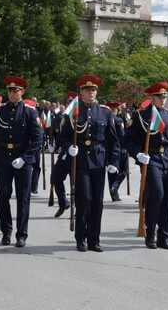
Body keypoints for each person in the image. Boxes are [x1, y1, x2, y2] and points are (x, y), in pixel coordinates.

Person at [59, 75, 120, 252]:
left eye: (93, 89)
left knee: (98, 202)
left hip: (99, 160)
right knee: (84, 199)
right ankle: (80, 238)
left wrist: (113, 160)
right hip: (80, 160)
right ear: (81, 92)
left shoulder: (105, 112)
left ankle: (94, 239)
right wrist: (69, 147)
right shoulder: (73, 112)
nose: (91, 92)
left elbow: (113, 140)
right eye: (87, 90)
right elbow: (63, 136)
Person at [126, 82, 168, 250]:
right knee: (157, 194)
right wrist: (137, 154)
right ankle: (150, 234)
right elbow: (128, 139)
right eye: (159, 96)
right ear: (151, 98)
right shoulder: (141, 116)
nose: (163, 99)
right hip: (151, 160)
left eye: (165, 96)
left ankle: (164, 237)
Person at [0, 76, 43, 248]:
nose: (12, 93)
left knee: (23, 198)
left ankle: (21, 234)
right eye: (10, 90)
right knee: (2, 196)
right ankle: (6, 231)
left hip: (22, 159)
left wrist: (25, 158)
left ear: (22, 92)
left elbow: (37, 138)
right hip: (3, 157)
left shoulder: (30, 112)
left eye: (16, 90)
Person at [106, 101, 128, 202]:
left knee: (111, 172)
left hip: (108, 150)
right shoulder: (118, 120)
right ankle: (115, 187)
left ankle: (114, 194)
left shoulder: (105, 119)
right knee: (124, 171)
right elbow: (123, 136)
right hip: (120, 149)